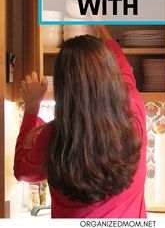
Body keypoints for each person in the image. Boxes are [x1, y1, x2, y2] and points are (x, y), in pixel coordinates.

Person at [14, 25, 147, 218]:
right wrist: (102, 27)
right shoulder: (133, 111)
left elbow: (22, 171)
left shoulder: (52, 136)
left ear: (62, 86)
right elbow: (125, 69)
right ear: (112, 77)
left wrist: (32, 109)